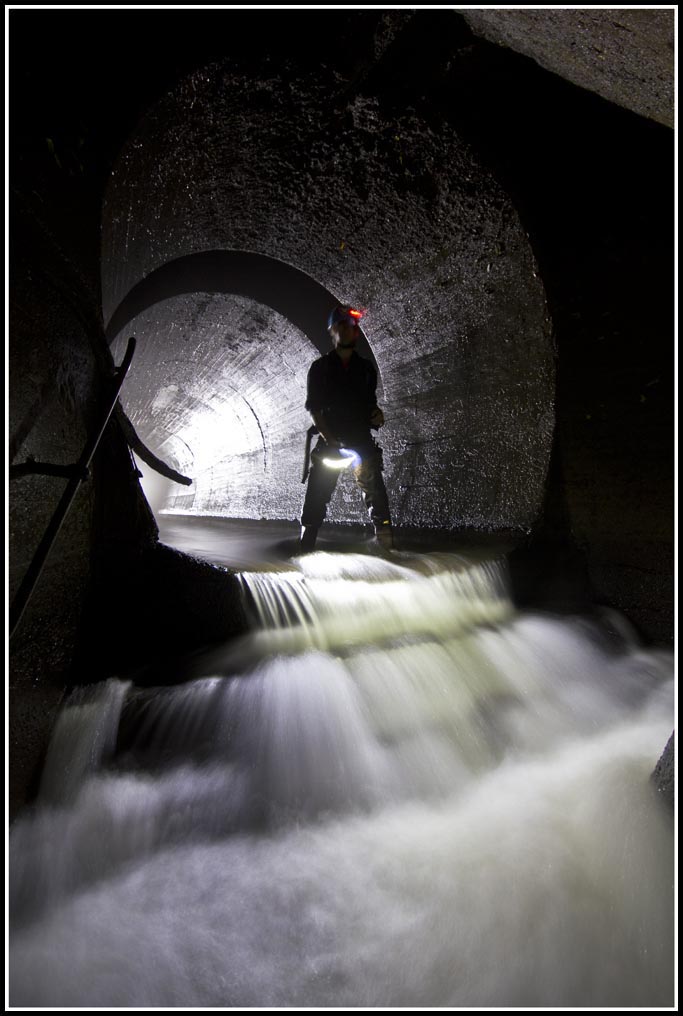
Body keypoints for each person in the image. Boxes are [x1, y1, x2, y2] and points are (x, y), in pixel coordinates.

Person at [299, 304, 393, 552]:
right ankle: (306, 545)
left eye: (351, 327)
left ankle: (386, 546)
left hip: (360, 440)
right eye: (341, 326)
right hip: (331, 441)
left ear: (356, 332)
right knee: (317, 493)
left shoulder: (365, 370)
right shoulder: (320, 369)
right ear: (332, 332)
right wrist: (330, 440)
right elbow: (315, 410)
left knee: (376, 494)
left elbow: (370, 404)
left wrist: (376, 415)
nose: (347, 331)